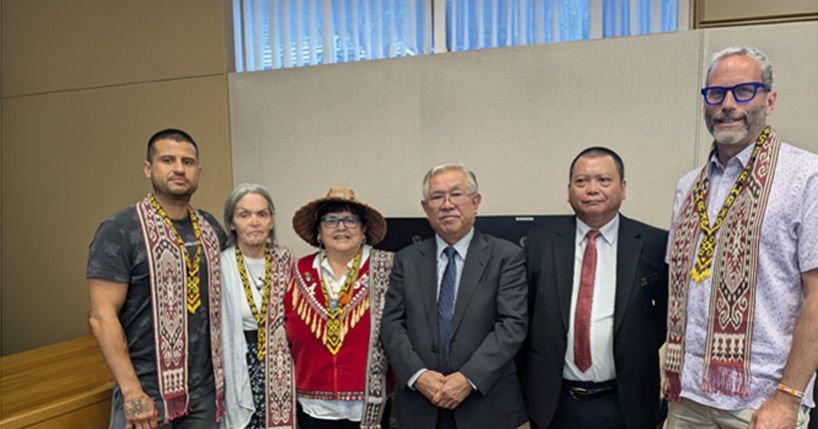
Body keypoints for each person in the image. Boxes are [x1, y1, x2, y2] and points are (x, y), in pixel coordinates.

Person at [664, 47, 818, 429]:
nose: (727, 105)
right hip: (687, 398)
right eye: (716, 94)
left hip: (762, 404)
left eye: (743, 91)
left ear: (770, 99)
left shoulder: (806, 177)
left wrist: (788, 398)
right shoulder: (689, 187)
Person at [519, 147, 668, 429]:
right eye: (581, 181)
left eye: (603, 180)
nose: (592, 189)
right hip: (554, 401)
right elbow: (525, 315)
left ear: (623, 188)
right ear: (569, 190)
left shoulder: (654, 243)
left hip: (624, 401)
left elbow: (664, 317)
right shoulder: (540, 241)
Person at [87, 128, 227, 429]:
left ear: (198, 172)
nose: (179, 168)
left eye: (188, 162)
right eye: (168, 160)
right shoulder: (120, 229)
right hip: (146, 393)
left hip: (204, 395)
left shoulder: (211, 228)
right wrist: (132, 393)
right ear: (149, 168)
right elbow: (102, 317)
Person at [381, 163, 529, 429]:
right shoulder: (406, 259)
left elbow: (512, 325)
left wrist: (468, 378)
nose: (447, 204)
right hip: (421, 406)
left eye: (456, 194)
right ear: (426, 208)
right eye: (437, 197)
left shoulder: (506, 256)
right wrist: (419, 375)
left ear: (476, 202)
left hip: (486, 404)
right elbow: (392, 324)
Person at [283, 187, 394, 428]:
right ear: (319, 231)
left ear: (363, 229)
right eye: (330, 220)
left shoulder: (388, 269)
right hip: (313, 405)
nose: (341, 227)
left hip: (369, 404)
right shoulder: (296, 272)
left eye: (350, 220)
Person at [220, 183, 293, 429]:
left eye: (262, 214)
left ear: (271, 221)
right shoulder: (221, 264)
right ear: (231, 223)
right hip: (239, 358)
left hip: (281, 363)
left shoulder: (286, 260)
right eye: (244, 215)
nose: (254, 222)